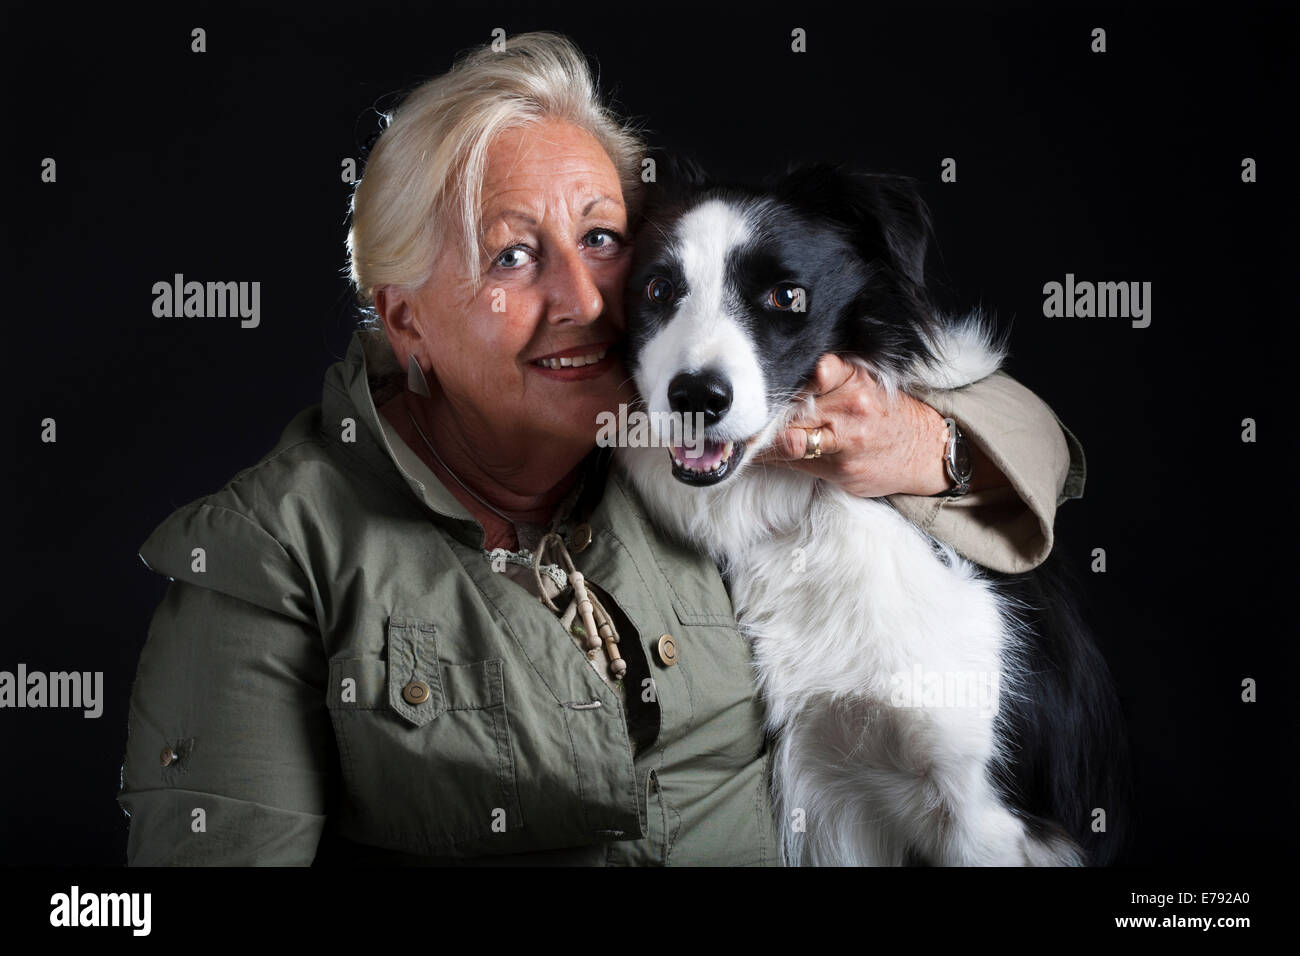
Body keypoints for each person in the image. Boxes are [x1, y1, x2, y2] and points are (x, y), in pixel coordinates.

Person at [117, 31, 1085, 865]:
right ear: (403, 318)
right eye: (513, 255)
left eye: (602, 237)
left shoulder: (681, 441)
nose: (583, 300)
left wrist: (921, 445)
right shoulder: (274, 551)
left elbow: (1029, 434)